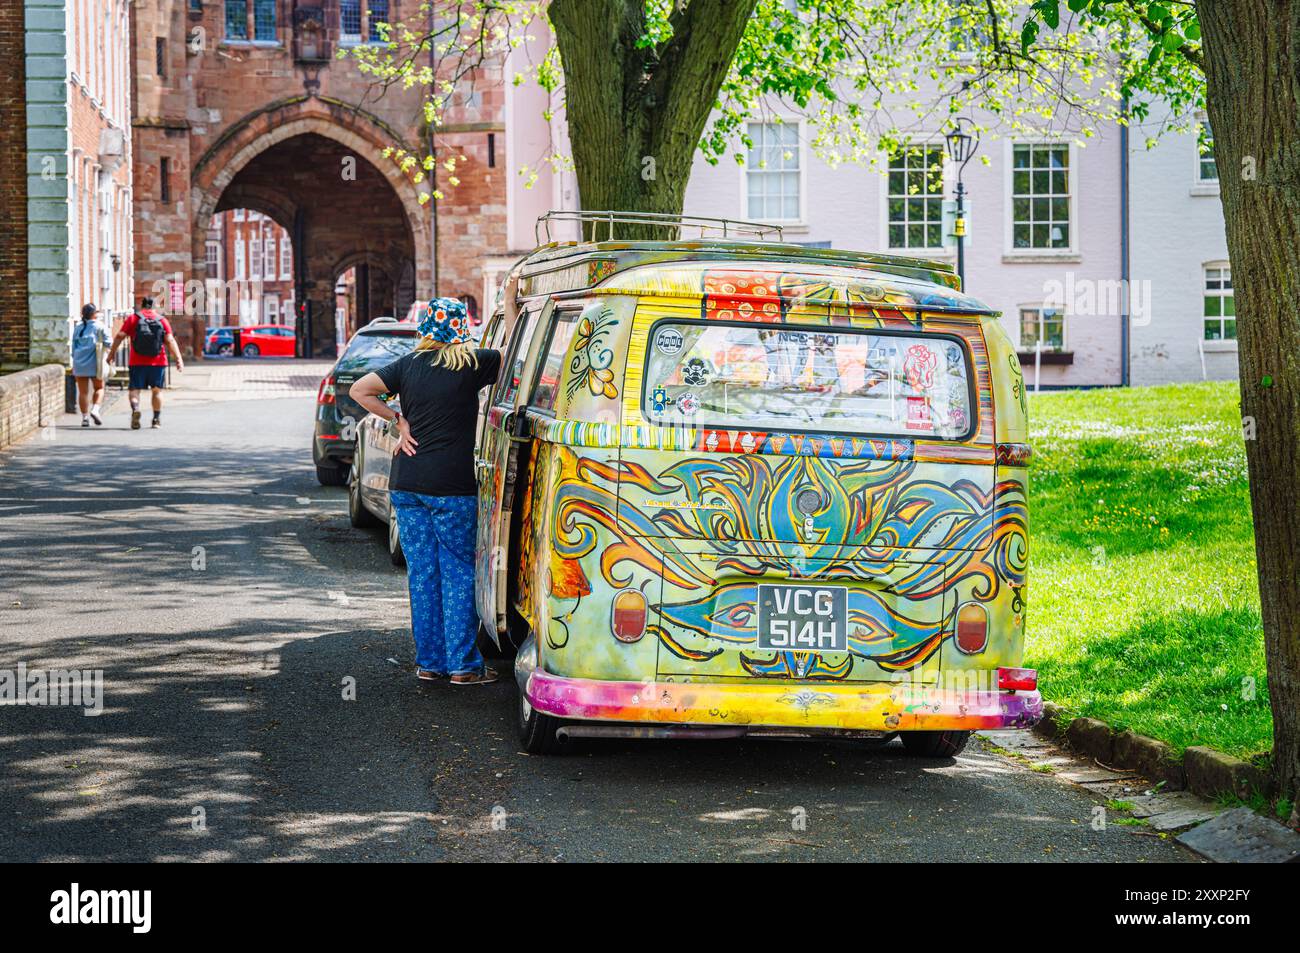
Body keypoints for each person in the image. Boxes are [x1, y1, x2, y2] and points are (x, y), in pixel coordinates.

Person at [350, 298, 502, 685]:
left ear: (425, 328)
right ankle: (464, 667)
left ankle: (430, 663)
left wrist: (398, 420)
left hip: (408, 485)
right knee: (457, 572)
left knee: (423, 574)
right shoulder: (473, 364)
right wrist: (512, 306)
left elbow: (360, 391)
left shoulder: (408, 365)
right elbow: (509, 353)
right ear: (460, 327)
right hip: (452, 487)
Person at [107, 297, 184, 429]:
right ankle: (156, 419)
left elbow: (120, 336)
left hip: (137, 362)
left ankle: (135, 408)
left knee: (134, 390)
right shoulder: (162, 320)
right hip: (158, 362)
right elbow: (170, 340)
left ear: (141, 306)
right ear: (155, 307)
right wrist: (178, 358)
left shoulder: (133, 319)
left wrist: (111, 354)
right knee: (157, 391)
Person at [70, 304, 111, 427]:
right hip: (95, 363)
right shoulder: (100, 326)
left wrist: (75, 361)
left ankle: (85, 418)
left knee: (83, 392)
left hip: (79, 362)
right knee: (99, 388)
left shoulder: (78, 328)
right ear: (94, 314)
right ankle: (95, 410)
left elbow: (73, 347)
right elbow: (109, 342)